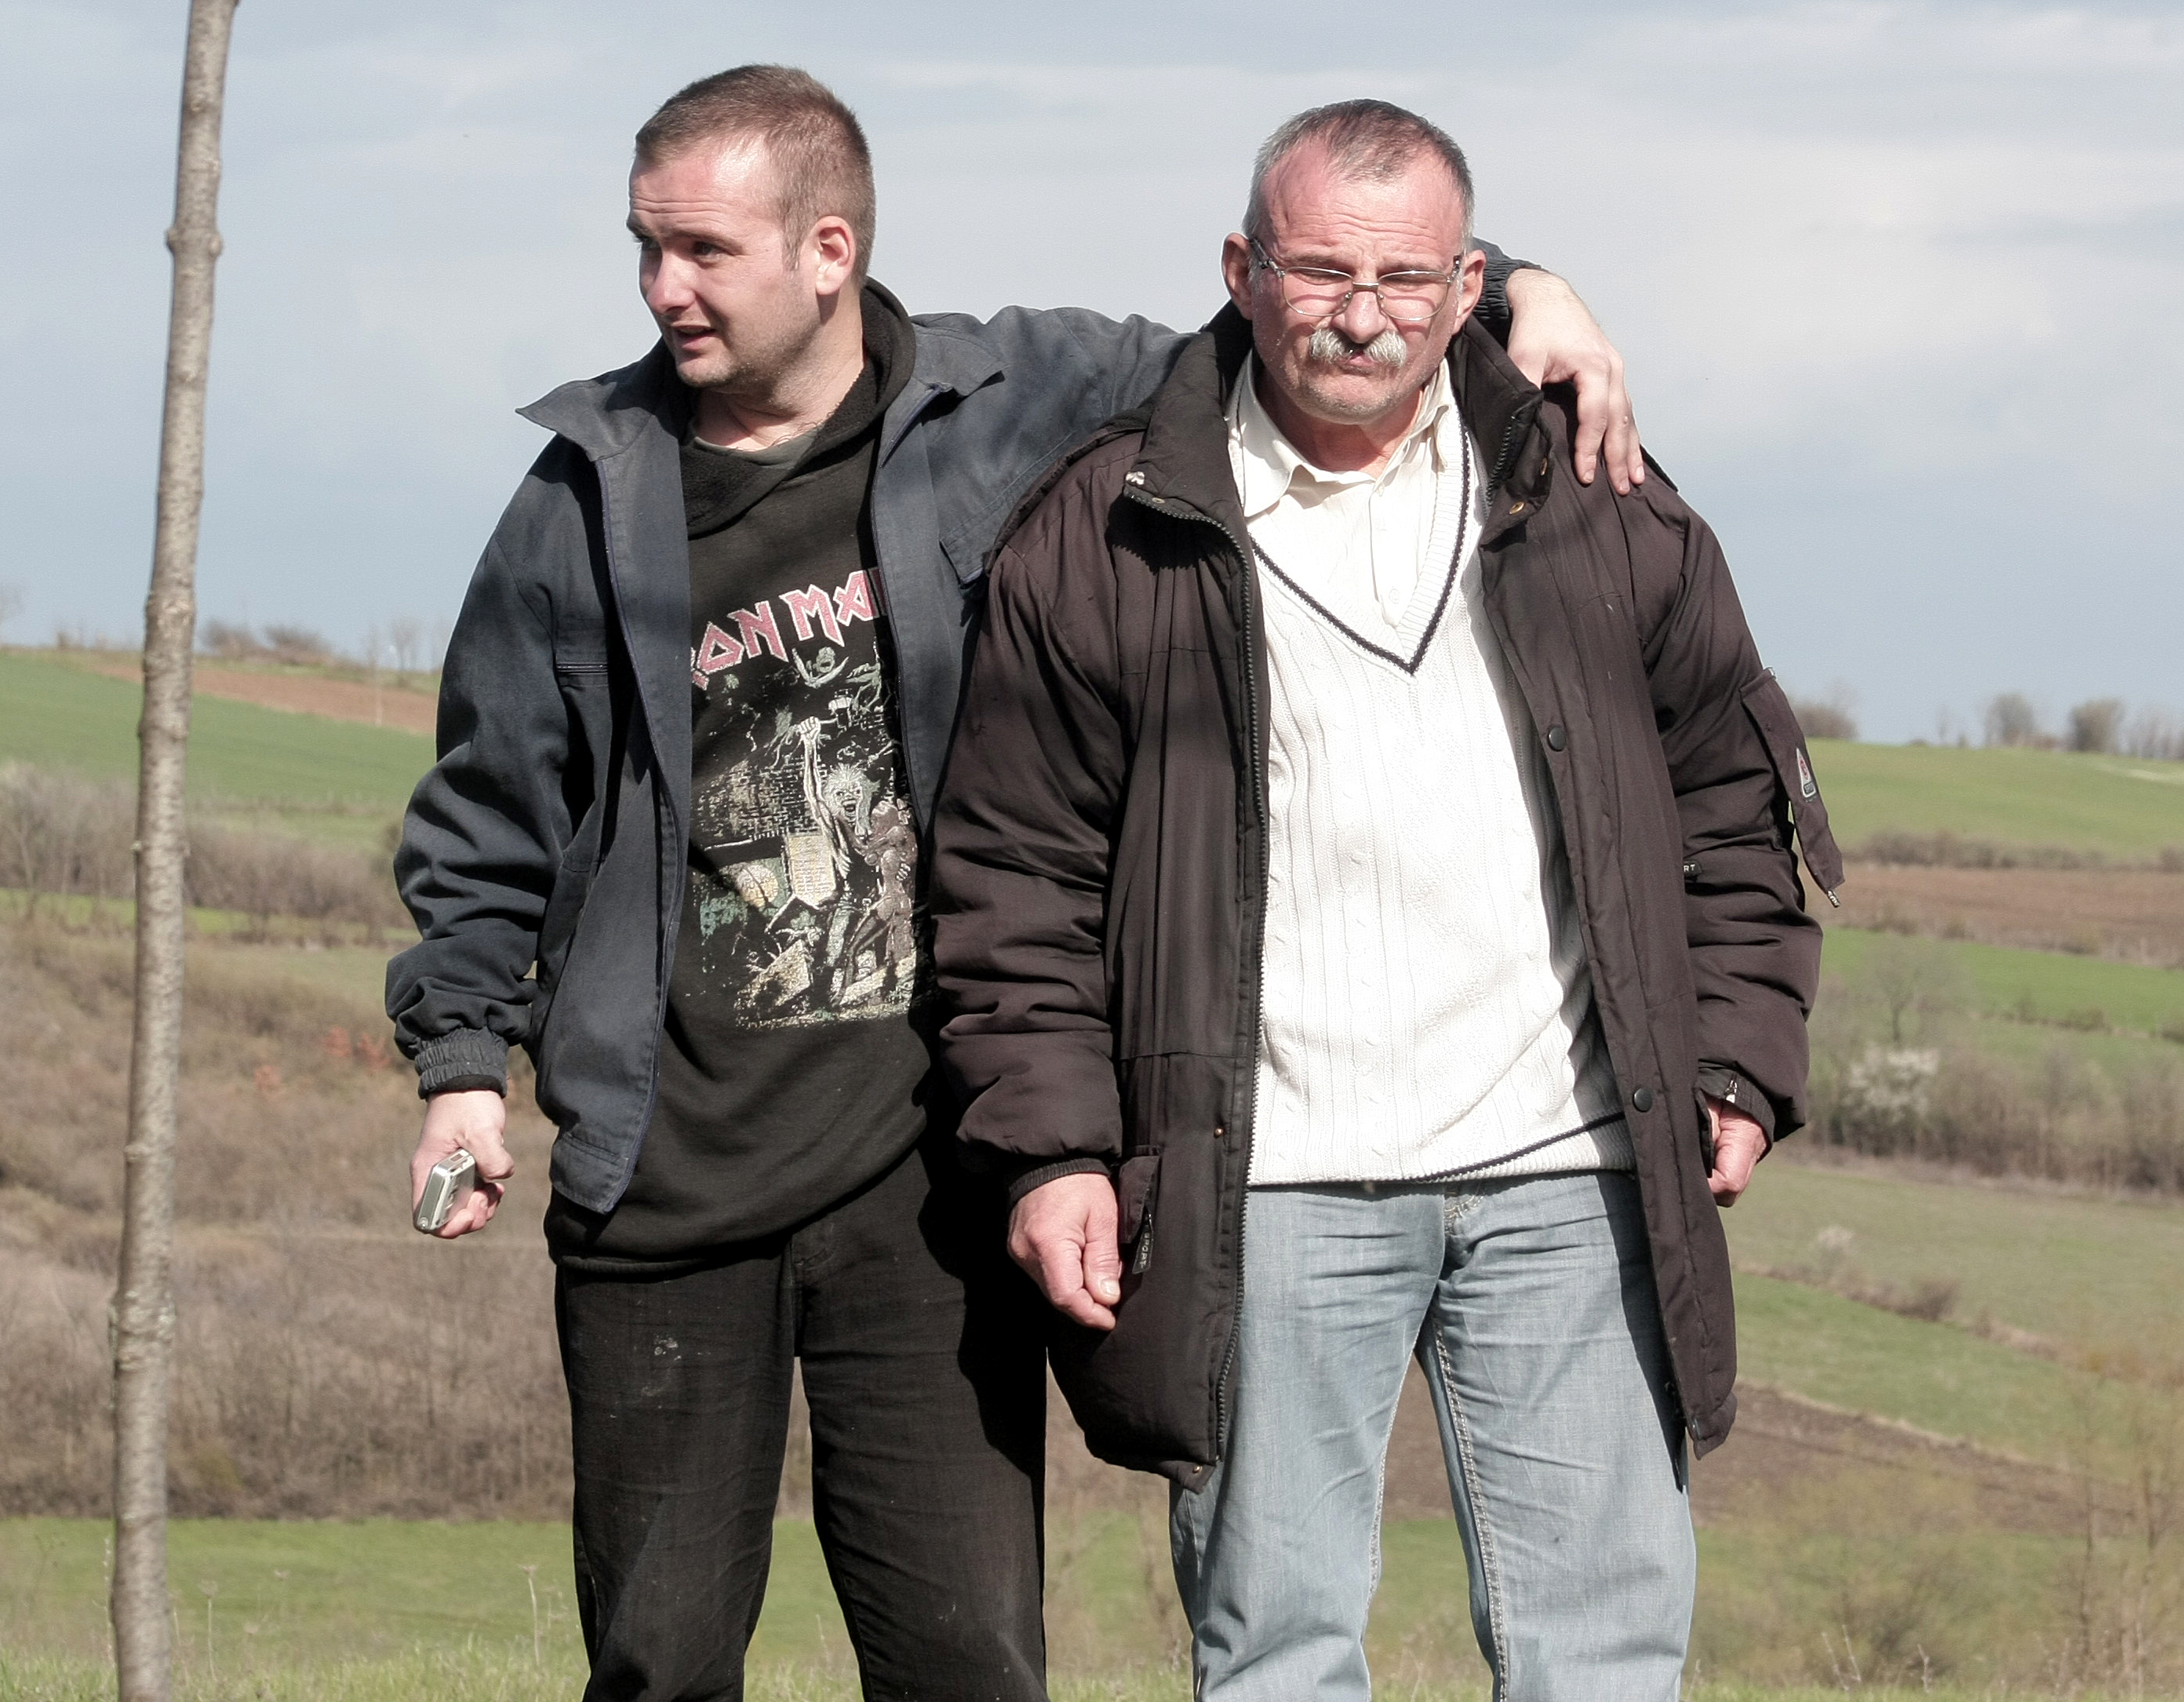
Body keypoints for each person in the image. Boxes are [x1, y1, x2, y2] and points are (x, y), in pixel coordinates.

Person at [388, 65, 1647, 1702]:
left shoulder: (1011, 395)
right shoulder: (585, 496)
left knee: (971, 1665)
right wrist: (462, 1062)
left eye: (702, 251)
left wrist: (1529, 288)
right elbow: (493, 802)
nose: (660, 288)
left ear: (828, 249)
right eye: (646, 246)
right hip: (665, 1184)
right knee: (659, 1658)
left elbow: (1313, 309)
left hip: (931, 1184)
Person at [930, 99, 1842, 1701]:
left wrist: (1735, 1060)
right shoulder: (1108, 529)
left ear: (1470, 284)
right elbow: (1016, 875)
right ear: (1241, 267)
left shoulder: (1595, 493)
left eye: (1410, 278)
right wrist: (1055, 1147)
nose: (1364, 315)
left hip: (1571, 1172)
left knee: (1606, 1657)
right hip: (1261, 1186)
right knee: (1278, 1656)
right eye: (1321, 271)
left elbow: (1734, 798)